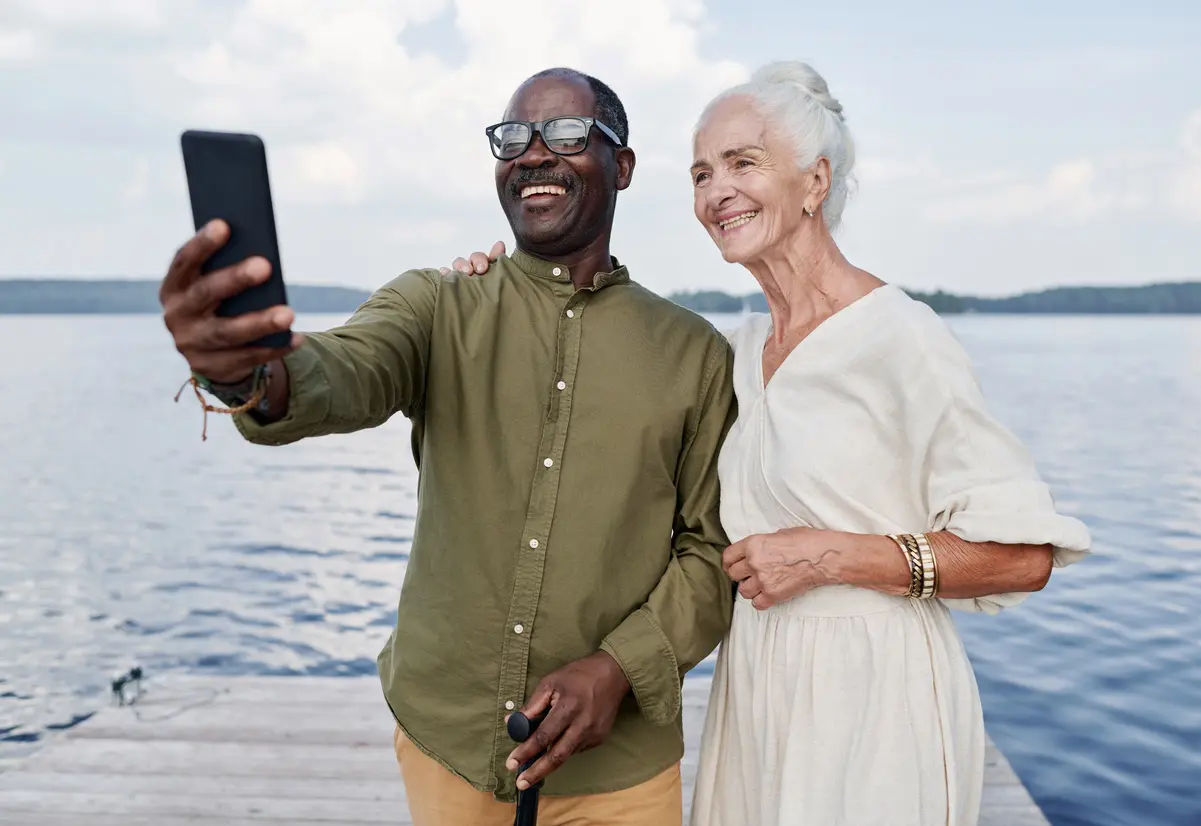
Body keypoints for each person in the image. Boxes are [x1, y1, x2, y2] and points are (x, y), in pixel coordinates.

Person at [448, 61, 1093, 826]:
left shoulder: (900, 338)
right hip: (758, 688)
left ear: (815, 182)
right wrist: (506, 290)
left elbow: (1023, 556)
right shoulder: (742, 349)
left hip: (873, 704)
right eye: (701, 173)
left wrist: (833, 556)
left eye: (743, 163)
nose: (717, 191)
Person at [157, 67, 738, 826]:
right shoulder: (436, 303)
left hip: (620, 772)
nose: (534, 153)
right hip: (447, 746)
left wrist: (617, 669)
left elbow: (710, 550)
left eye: (565, 133)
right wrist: (248, 372)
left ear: (621, 166)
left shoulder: (696, 354)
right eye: (513, 137)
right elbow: (345, 369)